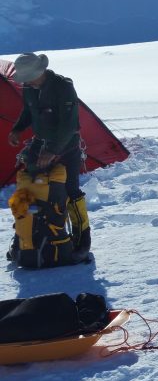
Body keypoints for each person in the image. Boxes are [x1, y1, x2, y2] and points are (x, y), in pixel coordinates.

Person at [7, 52, 91, 261]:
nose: (25, 82)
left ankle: (81, 241)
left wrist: (53, 151)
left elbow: (69, 125)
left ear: (40, 71)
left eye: (28, 77)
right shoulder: (29, 87)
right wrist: (17, 129)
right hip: (40, 144)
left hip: (66, 147)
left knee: (70, 192)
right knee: (28, 189)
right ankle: (25, 238)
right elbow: (28, 111)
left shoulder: (62, 87)